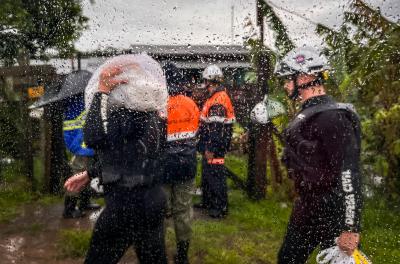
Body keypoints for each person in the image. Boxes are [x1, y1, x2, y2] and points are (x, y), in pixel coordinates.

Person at [64, 54, 168, 264]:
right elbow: (127, 156)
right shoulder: (152, 117)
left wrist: (102, 90)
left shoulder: (124, 115)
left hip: (125, 205)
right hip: (153, 201)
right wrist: (90, 173)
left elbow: (93, 137)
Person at [274, 46, 363, 263]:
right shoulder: (308, 114)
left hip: (334, 214)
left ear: (304, 77)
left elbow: (349, 173)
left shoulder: (333, 118)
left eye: (288, 78)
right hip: (307, 210)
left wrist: (350, 227)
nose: (286, 85)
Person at [162, 62, 200, 264]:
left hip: (163, 167)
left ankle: (157, 253)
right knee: (183, 210)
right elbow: (196, 133)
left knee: (160, 210)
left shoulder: (158, 105)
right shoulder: (191, 103)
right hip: (187, 165)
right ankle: (183, 256)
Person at [197, 64, 235, 218]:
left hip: (215, 146)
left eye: (206, 81)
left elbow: (216, 128)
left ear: (209, 81)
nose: (205, 85)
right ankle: (208, 202)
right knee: (208, 174)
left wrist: (210, 148)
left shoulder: (218, 100)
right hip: (211, 144)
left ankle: (219, 208)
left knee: (215, 177)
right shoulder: (215, 97)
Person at [62, 71, 101, 218]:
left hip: (84, 144)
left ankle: (84, 202)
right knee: (78, 175)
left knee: (86, 174)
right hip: (80, 145)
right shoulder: (79, 100)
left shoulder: (78, 99)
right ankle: (69, 209)